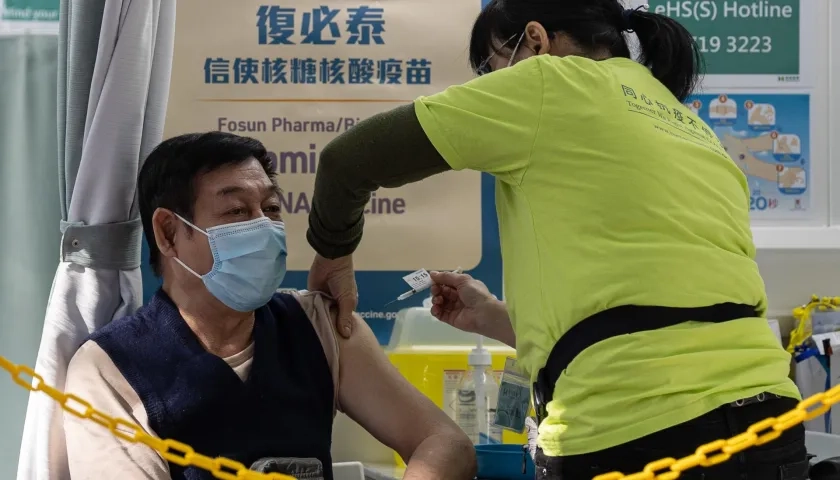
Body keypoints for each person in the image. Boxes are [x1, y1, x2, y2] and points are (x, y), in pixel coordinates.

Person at [303, 0, 807, 478]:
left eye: (496, 68)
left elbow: (348, 161)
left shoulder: (547, 81)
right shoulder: (690, 126)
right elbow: (661, 310)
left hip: (636, 430)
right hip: (769, 420)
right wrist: (496, 319)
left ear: (536, 41)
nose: (495, 88)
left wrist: (333, 258)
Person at [62, 132, 476, 480]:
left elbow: (444, 443)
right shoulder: (110, 369)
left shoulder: (319, 327)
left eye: (272, 209)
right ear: (169, 233)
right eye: (237, 211)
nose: (263, 227)